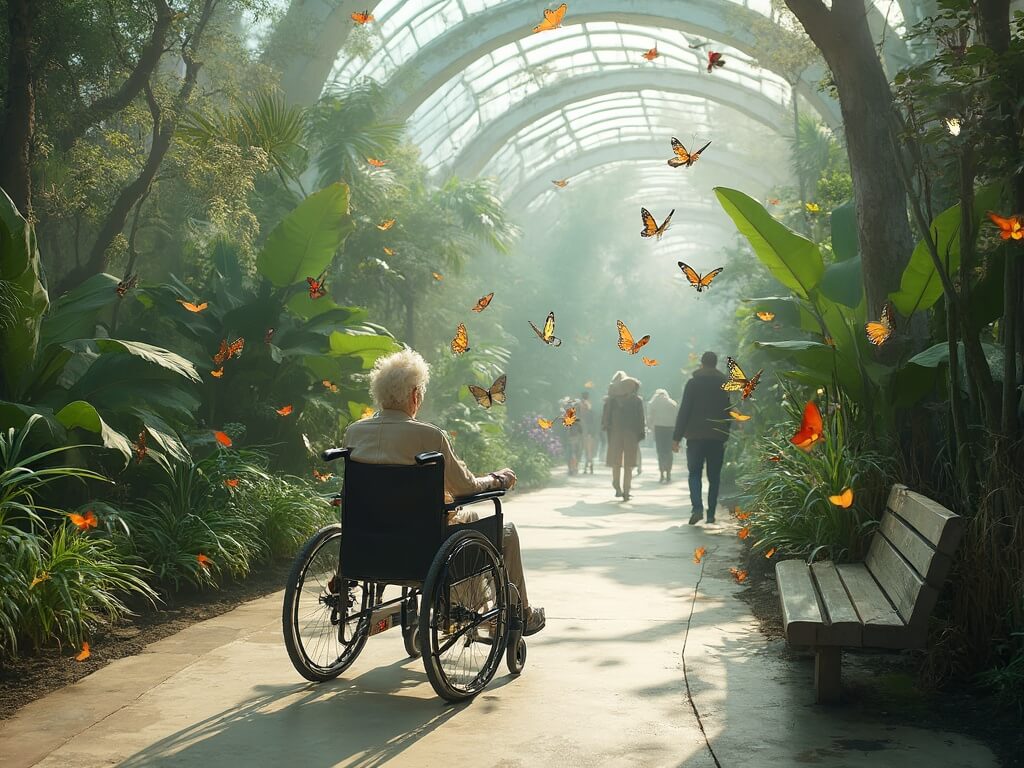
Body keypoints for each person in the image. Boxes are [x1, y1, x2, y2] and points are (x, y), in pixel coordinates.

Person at [344, 349, 546, 635]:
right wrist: (495, 479)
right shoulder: (428, 436)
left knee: (469, 516)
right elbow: (464, 487)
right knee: (506, 532)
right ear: (414, 394)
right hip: (423, 547)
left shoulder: (354, 433)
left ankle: (455, 608)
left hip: (366, 545)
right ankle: (519, 614)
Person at [673, 351, 731, 524]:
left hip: (695, 436)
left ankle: (697, 509)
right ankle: (711, 513)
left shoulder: (693, 383)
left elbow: (685, 410)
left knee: (694, 473)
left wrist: (676, 437)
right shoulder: (723, 383)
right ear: (715, 364)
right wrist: (726, 430)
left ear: (702, 363)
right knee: (714, 477)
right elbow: (728, 409)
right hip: (716, 436)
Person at [602, 371, 645, 502]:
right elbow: (641, 419)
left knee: (616, 462)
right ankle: (626, 491)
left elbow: (605, 420)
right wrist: (640, 433)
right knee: (629, 464)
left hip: (615, 434)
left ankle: (617, 487)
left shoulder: (611, 401)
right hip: (631, 435)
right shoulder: (637, 400)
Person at [648, 388, 679, 484]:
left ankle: (662, 474)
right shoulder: (672, 403)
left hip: (659, 429)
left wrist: (650, 427)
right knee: (669, 451)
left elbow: (651, 416)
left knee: (660, 451)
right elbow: (677, 417)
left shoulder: (654, 402)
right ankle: (669, 473)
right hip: (670, 429)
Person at [577, 391, 596, 474]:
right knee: (588, 450)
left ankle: (586, 467)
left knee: (585, 450)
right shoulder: (590, 409)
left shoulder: (580, 409)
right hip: (589, 433)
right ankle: (589, 466)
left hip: (584, 432)